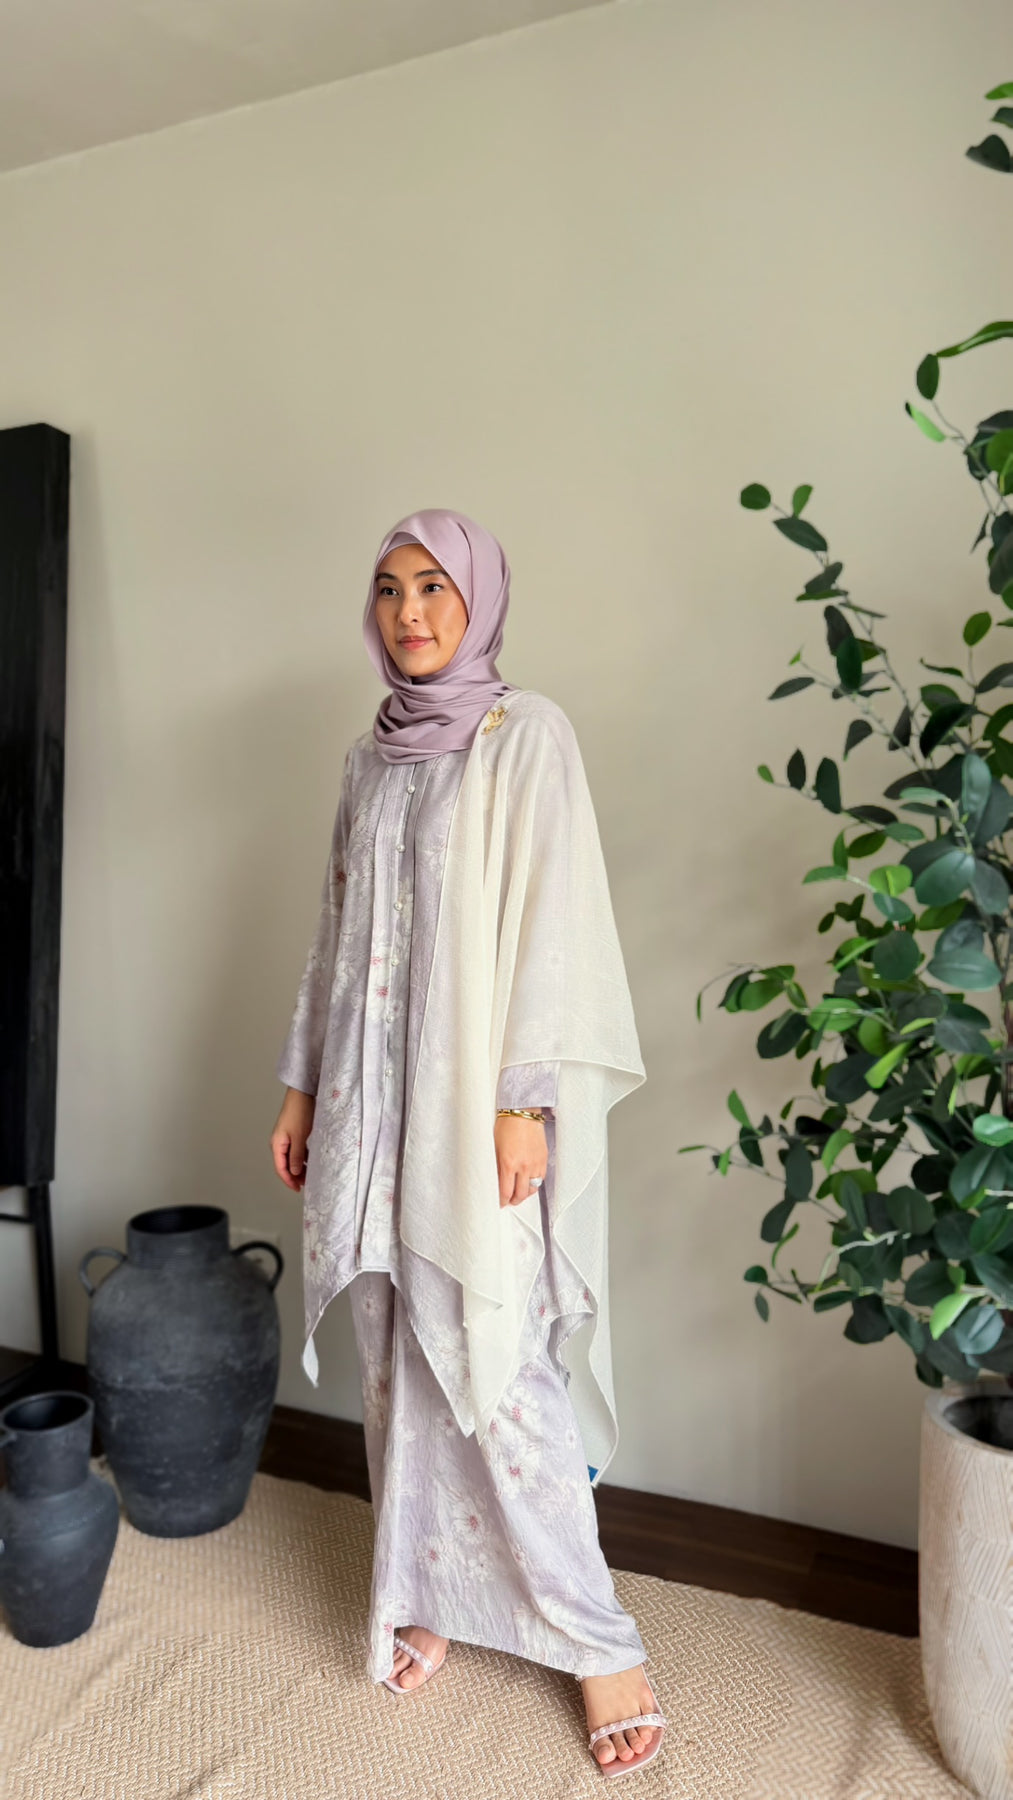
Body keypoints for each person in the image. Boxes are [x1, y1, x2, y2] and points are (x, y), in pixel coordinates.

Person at [269, 508, 666, 1777]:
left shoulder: (522, 735)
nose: (409, 613)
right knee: (396, 1357)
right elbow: (334, 933)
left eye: (433, 586)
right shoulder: (368, 758)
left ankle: (600, 1645)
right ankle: (424, 1586)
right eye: (388, 590)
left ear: (480, 597)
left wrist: (521, 1099)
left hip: (468, 1104)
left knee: (498, 1362)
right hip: (366, 1101)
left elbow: (554, 922)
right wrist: (302, 1088)